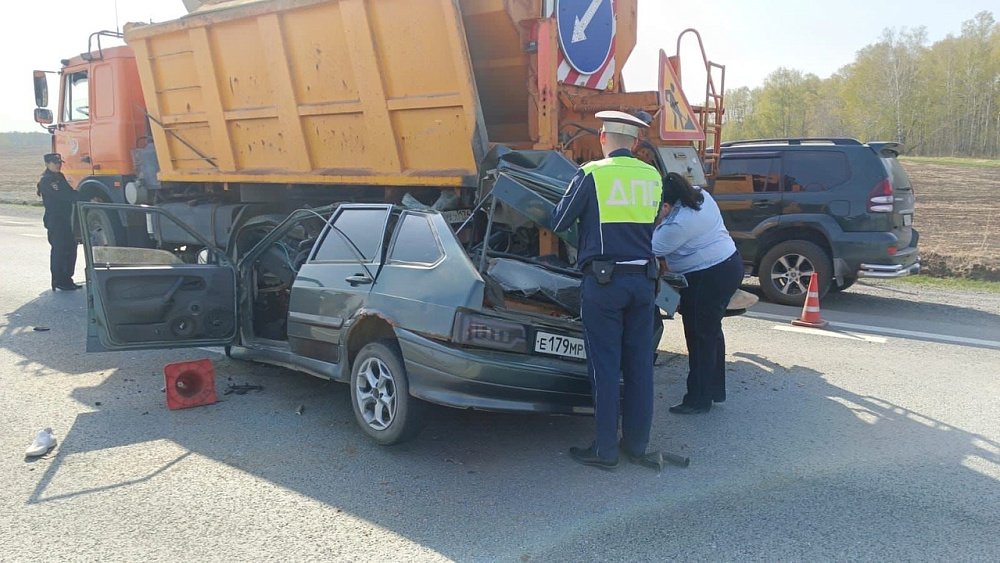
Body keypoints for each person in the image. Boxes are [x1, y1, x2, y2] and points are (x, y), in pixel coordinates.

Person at [551, 111, 662, 470]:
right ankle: (637, 445)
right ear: (633, 142)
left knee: (605, 366)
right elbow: (651, 220)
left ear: (603, 137)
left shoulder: (591, 174)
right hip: (644, 283)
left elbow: (559, 220)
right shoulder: (653, 176)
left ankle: (605, 450)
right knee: (640, 365)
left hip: (604, 283)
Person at [652, 172, 743, 414]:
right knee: (711, 332)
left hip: (707, 277)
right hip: (729, 265)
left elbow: (648, 247)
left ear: (668, 205)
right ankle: (714, 390)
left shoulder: (678, 224)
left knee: (700, 337)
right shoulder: (699, 195)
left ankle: (698, 400)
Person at [37, 153, 81, 291]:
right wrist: (82, 198)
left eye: (59, 162)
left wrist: (85, 197)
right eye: (55, 163)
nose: (58, 165)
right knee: (60, 250)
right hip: (55, 220)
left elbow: (70, 192)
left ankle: (67, 279)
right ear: (47, 164)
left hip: (65, 218)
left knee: (70, 248)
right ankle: (59, 280)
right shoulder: (47, 180)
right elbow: (64, 195)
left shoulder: (59, 177)